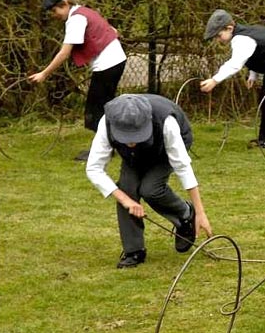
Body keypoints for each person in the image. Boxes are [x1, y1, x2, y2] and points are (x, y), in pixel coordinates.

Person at [86, 94, 213, 268]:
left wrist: (200, 212)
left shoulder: (166, 122)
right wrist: (126, 200)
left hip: (165, 149)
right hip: (133, 158)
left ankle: (185, 215)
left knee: (150, 189)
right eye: (126, 137)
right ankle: (134, 250)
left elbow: (182, 166)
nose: (131, 143)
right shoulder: (107, 122)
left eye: (136, 136)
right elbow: (94, 168)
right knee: (126, 189)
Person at [29, 0, 127, 162]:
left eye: (54, 10)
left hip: (108, 65)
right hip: (116, 61)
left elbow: (64, 52)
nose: (54, 15)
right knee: (104, 108)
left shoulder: (76, 20)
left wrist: (44, 73)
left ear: (64, 3)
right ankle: (116, 146)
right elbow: (114, 31)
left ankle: (107, 150)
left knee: (95, 112)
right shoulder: (85, 11)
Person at [200, 9, 265, 148]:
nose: (218, 40)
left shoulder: (241, 39)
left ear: (229, 28)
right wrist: (253, 74)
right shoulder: (242, 35)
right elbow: (257, 53)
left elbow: (235, 64)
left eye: (218, 35)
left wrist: (214, 80)